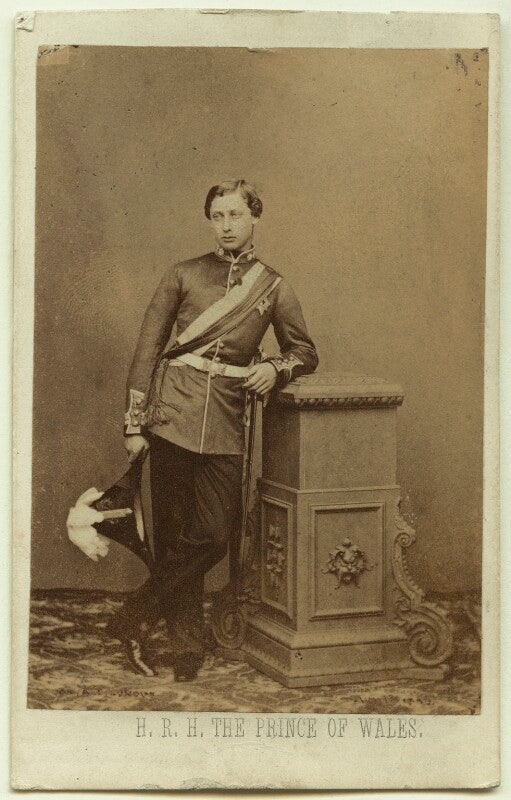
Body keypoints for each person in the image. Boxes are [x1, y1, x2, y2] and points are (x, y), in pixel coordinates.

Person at [117, 179, 318, 680]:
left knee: (213, 533)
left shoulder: (273, 286)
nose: (226, 226)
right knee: (174, 533)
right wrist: (135, 423)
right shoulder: (183, 274)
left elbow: (304, 351)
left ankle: (134, 613)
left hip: (228, 422)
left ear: (254, 217)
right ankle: (186, 646)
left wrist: (275, 368)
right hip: (171, 416)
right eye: (217, 216)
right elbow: (147, 349)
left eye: (235, 215)